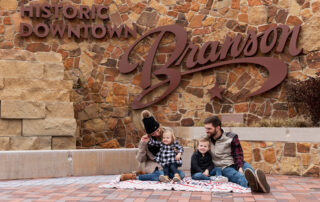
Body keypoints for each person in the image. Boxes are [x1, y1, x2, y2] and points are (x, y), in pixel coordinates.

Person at [204, 116, 270, 193]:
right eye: (206, 128)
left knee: (249, 171)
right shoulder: (206, 140)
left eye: (209, 129)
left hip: (237, 162)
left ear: (218, 128)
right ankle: (254, 184)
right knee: (238, 177)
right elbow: (200, 155)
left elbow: (238, 153)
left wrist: (240, 166)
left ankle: (258, 183)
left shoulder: (231, 137)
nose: (206, 131)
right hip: (224, 166)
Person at [120, 110, 185, 181]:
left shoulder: (166, 134)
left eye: (158, 130)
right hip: (153, 164)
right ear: (150, 134)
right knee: (161, 174)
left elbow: (177, 146)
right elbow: (141, 159)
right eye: (153, 133)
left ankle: (154, 176)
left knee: (181, 175)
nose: (157, 134)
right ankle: (134, 177)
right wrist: (143, 144)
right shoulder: (147, 140)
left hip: (167, 163)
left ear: (159, 126)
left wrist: (177, 152)